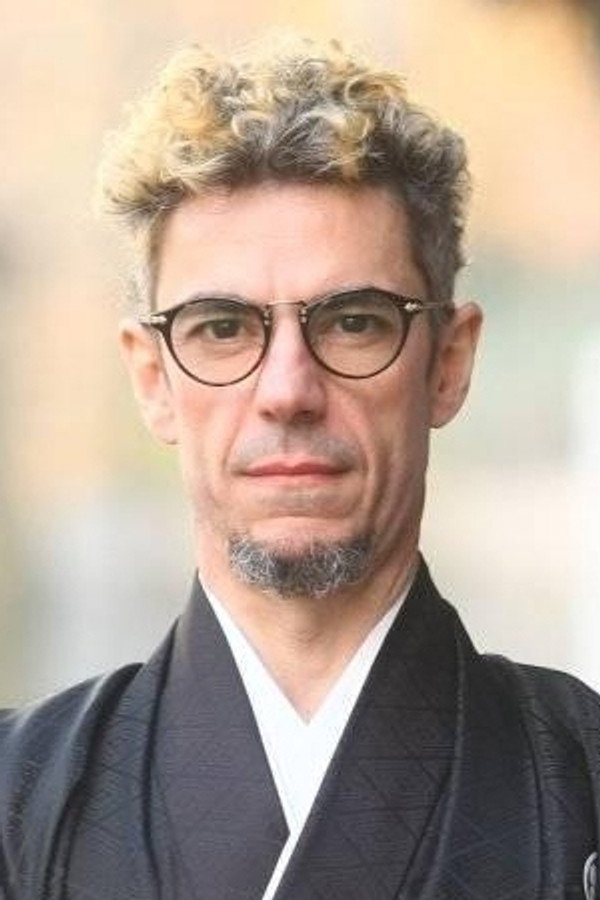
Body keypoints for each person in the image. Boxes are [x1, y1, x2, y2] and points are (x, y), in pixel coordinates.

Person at [1, 36, 599, 900]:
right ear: (152, 380)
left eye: (353, 322)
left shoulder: (580, 780)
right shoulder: (21, 810)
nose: (287, 390)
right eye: (221, 328)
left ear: (449, 362)